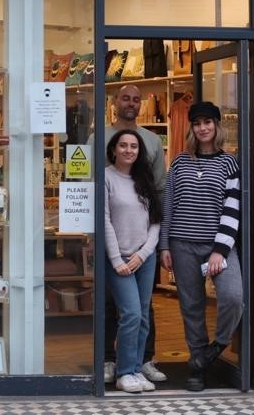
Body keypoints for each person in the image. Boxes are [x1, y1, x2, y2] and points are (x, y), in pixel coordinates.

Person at [159, 100, 242, 392]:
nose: (203, 128)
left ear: (217, 126)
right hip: (181, 245)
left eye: (208, 122)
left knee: (233, 297)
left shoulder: (230, 163)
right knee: (191, 308)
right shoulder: (180, 162)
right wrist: (164, 246)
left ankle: (215, 348)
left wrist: (220, 250)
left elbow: (233, 211)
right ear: (192, 128)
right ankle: (197, 366)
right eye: (197, 123)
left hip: (218, 245)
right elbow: (169, 206)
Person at [88, 84, 167, 385]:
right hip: (114, 240)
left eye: (136, 99)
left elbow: (157, 190)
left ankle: (141, 360)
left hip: (143, 241)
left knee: (143, 307)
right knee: (113, 304)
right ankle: (111, 361)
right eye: (125, 98)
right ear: (114, 102)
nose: (131, 103)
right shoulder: (99, 139)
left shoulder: (152, 140)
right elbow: (91, 188)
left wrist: (155, 243)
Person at [104, 128, 162, 393]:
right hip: (119, 259)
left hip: (143, 258)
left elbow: (155, 222)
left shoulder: (144, 179)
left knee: (143, 318)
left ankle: (137, 370)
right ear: (114, 149)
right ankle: (124, 371)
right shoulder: (106, 178)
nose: (129, 150)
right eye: (124, 145)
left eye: (134, 147)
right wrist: (117, 259)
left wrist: (144, 253)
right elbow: (104, 221)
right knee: (131, 314)